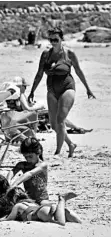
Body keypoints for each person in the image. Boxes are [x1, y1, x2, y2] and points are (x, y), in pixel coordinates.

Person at [28, 27, 96, 158]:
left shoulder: (69, 54)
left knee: (60, 120)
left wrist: (88, 89)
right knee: (54, 125)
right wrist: (32, 91)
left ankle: (58, 152)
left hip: (67, 87)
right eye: (51, 39)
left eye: (55, 39)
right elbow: (39, 73)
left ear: (61, 39)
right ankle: (71, 144)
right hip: (51, 89)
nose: (53, 42)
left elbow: (78, 71)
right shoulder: (46, 54)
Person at [8, 76, 93, 134]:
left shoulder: (11, 96)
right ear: (20, 86)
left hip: (20, 116)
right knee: (54, 113)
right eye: (24, 86)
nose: (25, 88)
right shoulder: (21, 95)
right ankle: (76, 128)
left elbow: (19, 108)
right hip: (27, 116)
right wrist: (38, 107)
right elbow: (27, 109)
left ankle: (74, 128)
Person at [0, 188, 81, 226]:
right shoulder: (33, 202)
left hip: (39, 213)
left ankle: (62, 200)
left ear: (14, 199)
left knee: (61, 223)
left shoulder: (18, 205)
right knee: (78, 222)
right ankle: (61, 207)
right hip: (47, 207)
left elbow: (9, 218)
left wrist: (2, 219)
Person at [6, 137, 49, 205]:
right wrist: (8, 181)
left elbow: (30, 174)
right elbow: (12, 171)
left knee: (46, 206)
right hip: (28, 199)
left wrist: (15, 184)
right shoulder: (23, 165)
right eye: (25, 157)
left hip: (41, 199)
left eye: (30, 156)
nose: (28, 160)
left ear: (39, 152)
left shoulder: (42, 165)